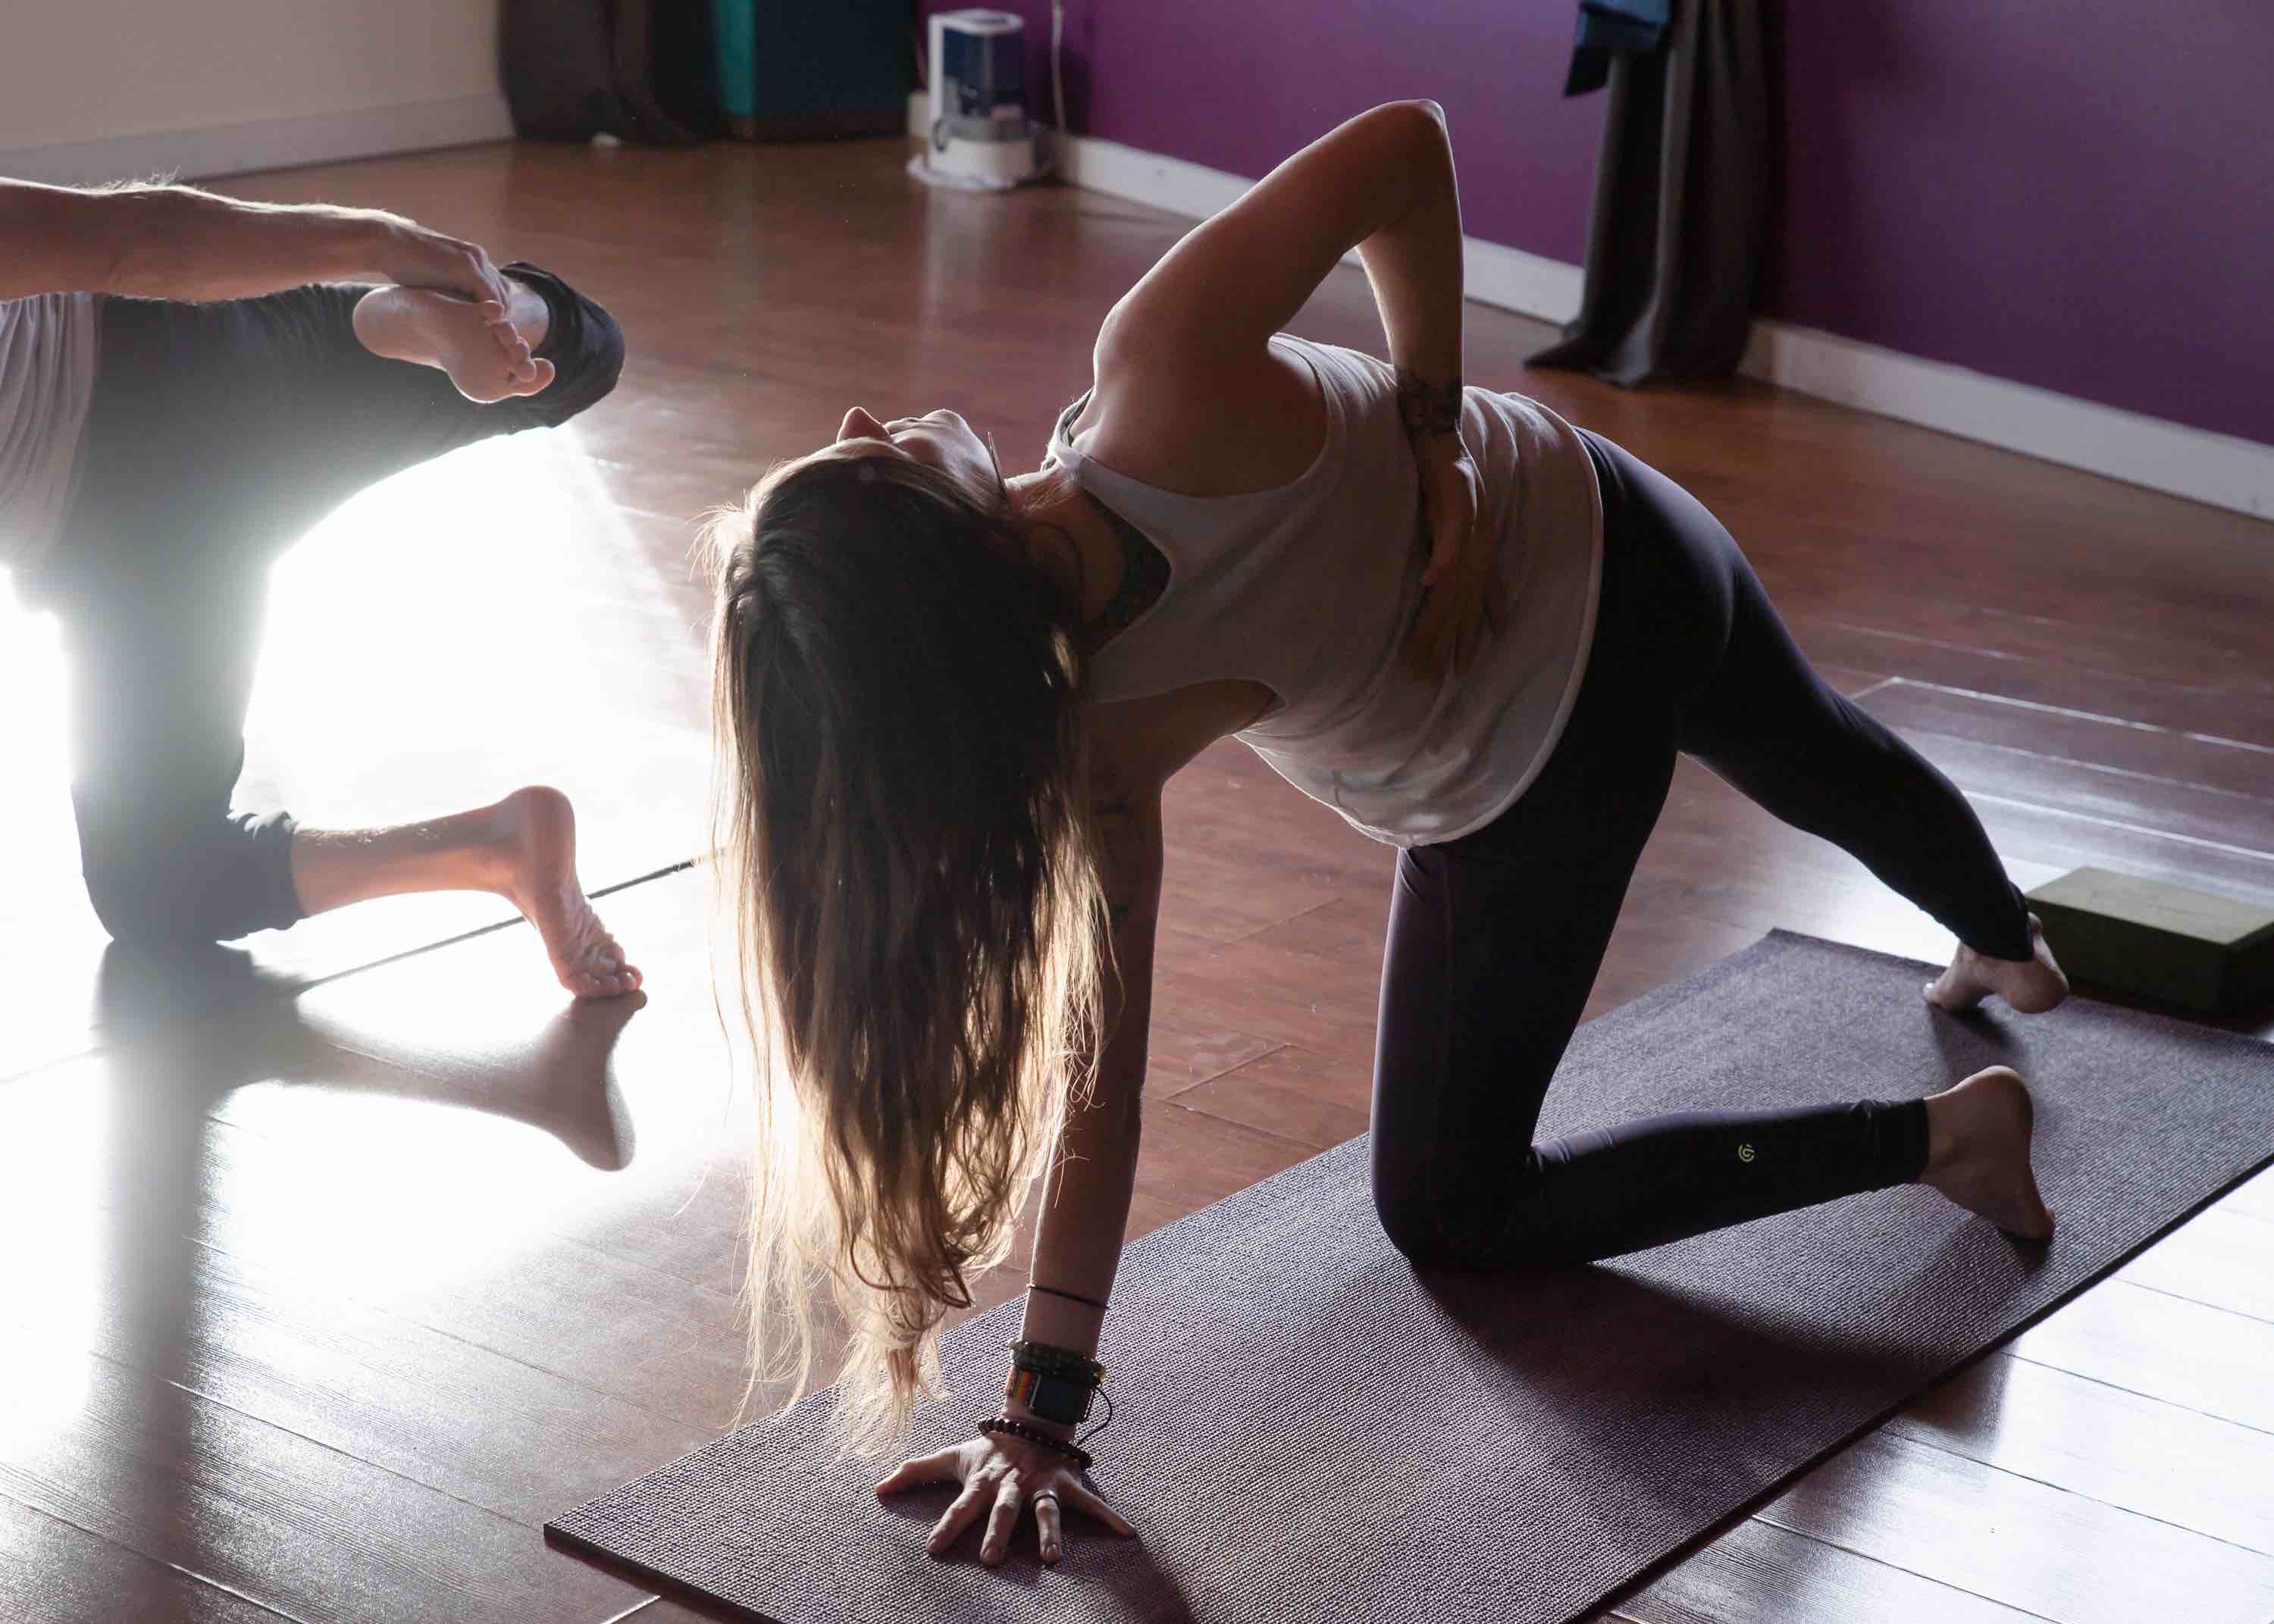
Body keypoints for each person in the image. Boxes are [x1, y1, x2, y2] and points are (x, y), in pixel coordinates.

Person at [703, 102, 2071, 1566]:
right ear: (942, 564)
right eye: (865, 464)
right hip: (1633, 545)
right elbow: (1408, 150)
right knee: (1818, 751)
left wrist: (1433, 442)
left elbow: (1404, 150)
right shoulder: (1153, 374)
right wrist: (1445, 443)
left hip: (1544, 723)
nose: (861, 421)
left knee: (1453, 1204)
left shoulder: (1090, 740)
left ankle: (1947, 1132)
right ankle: (2010, 944)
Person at [2, 176, 641, 995]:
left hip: (139, 535)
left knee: (159, 888)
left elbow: (143, 236)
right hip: (182, 367)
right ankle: (492, 312)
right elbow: (142, 236)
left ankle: (496, 847)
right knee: (587, 356)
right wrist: (378, 242)